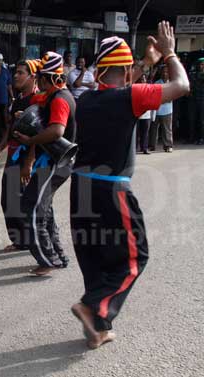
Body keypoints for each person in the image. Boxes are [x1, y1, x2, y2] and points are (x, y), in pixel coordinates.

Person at [69, 22, 189, 349]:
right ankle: (94, 309)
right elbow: (181, 85)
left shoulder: (88, 99)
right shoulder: (129, 98)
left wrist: (145, 64)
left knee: (95, 257)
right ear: (124, 70)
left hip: (80, 189)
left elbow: (123, 88)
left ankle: (98, 324)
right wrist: (169, 53)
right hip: (112, 191)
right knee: (135, 257)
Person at [13, 51, 76, 277]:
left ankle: (48, 259)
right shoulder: (53, 95)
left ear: (49, 78)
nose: (37, 82)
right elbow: (37, 106)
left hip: (56, 162)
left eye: (40, 78)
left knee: (31, 207)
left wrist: (30, 140)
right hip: (51, 161)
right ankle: (57, 255)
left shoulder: (60, 99)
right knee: (44, 209)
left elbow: (56, 130)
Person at [0, 59, 41, 253]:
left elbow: (39, 134)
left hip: (27, 156)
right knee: (8, 199)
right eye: (16, 73)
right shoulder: (17, 99)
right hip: (13, 154)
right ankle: (20, 240)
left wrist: (29, 161)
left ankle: (32, 240)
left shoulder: (37, 100)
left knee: (23, 200)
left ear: (32, 77)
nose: (16, 76)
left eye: (21, 73)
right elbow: (10, 128)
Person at [0, 52, 14, 144]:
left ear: (2, 61)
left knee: (4, 119)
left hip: (4, 99)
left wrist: (12, 96)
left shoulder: (6, 71)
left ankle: (3, 138)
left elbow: (9, 85)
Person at [151, 65, 174, 152]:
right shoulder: (157, 83)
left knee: (167, 129)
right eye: (163, 72)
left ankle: (168, 145)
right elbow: (153, 96)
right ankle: (152, 146)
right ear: (160, 73)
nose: (165, 74)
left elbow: (171, 97)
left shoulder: (171, 83)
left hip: (167, 110)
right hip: (156, 110)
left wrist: (163, 99)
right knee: (154, 129)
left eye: (167, 72)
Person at [188, 57, 204, 145]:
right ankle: (191, 137)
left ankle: (201, 137)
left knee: (201, 120)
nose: (202, 66)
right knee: (192, 119)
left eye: (203, 65)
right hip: (193, 99)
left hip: (202, 99)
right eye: (201, 64)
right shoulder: (193, 74)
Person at [136, 74, 152, 154]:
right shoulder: (136, 88)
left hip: (147, 114)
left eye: (144, 79)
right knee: (136, 133)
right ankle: (134, 148)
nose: (143, 80)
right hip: (137, 114)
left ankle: (144, 148)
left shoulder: (148, 88)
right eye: (141, 79)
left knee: (145, 133)